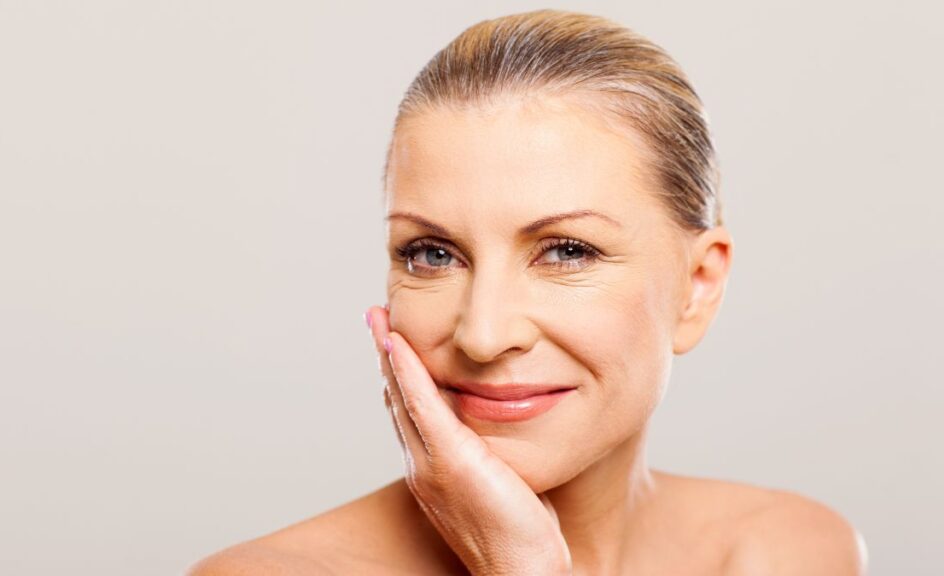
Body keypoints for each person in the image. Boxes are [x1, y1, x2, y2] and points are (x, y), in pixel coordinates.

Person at [189, 9, 867, 575]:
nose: (483, 334)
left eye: (567, 251)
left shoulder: (783, 552)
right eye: (432, 254)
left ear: (697, 286)